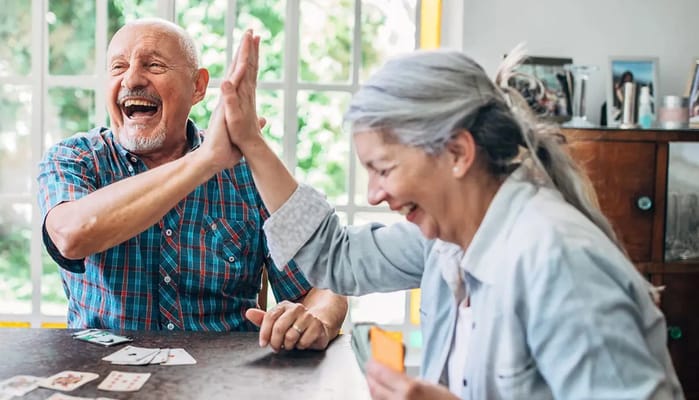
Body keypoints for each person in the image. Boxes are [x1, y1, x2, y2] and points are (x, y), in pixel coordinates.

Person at [217, 32, 684, 399]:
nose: (375, 195)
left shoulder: (559, 261)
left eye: (384, 169)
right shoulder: (447, 238)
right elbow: (335, 257)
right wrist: (252, 145)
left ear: (458, 152)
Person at [36, 18, 347, 352]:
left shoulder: (250, 174)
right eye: (118, 67)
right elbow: (71, 236)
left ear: (198, 87)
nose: (132, 78)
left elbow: (323, 285)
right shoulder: (75, 158)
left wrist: (316, 320)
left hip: (222, 378)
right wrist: (205, 161)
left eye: (153, 65)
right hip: (103, 375)